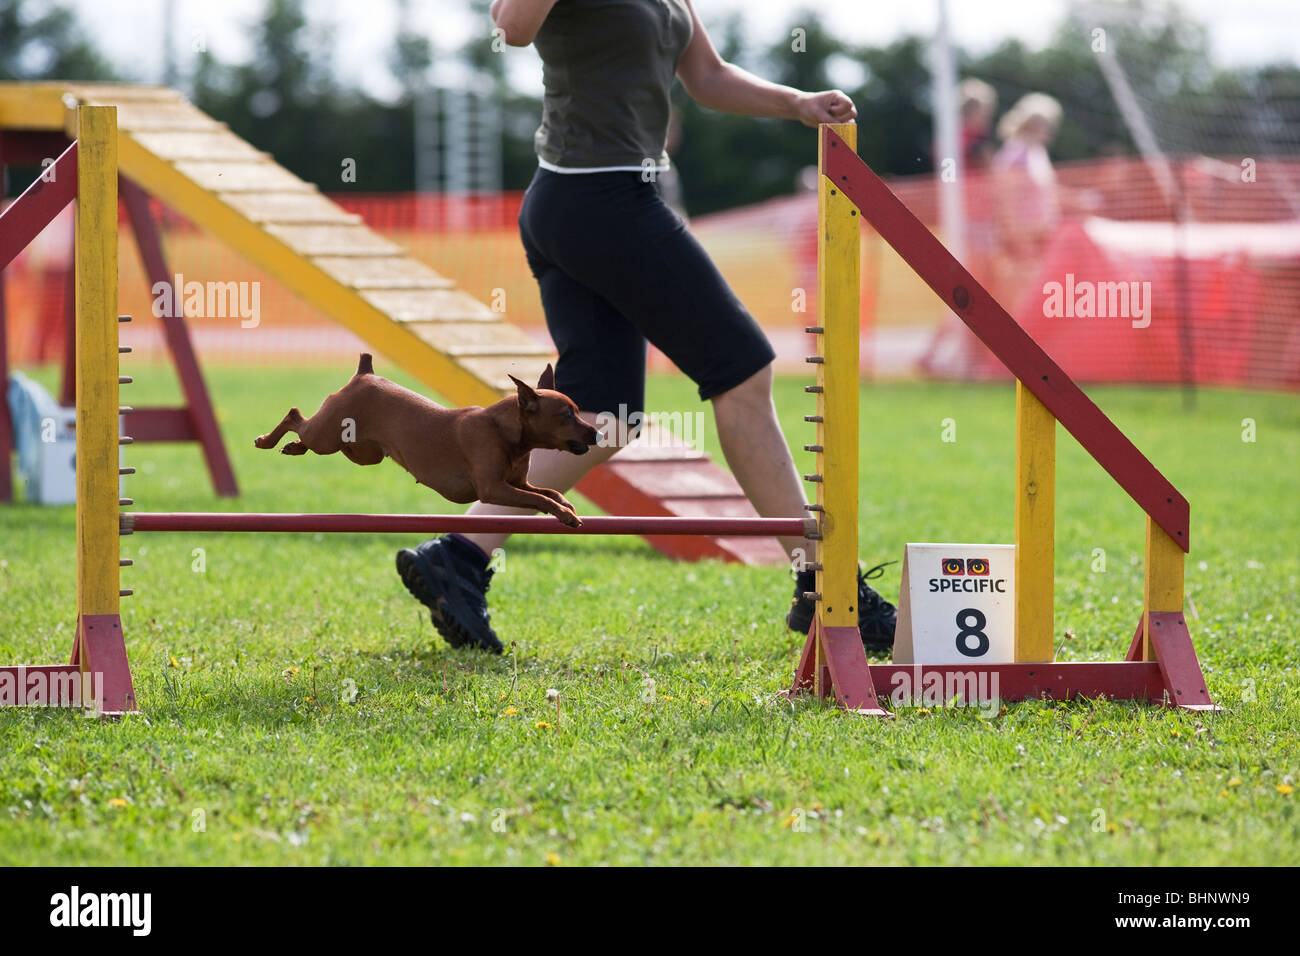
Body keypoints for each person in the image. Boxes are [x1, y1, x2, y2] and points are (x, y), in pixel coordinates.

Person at [396, 0, 896, 655]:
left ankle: (458, 556)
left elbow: (707, 77)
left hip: (595, 202)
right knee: (742, 369)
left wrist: (797, 103)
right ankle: (824, 582)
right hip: (596, 197)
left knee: (605, 413)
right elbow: (511, 27)